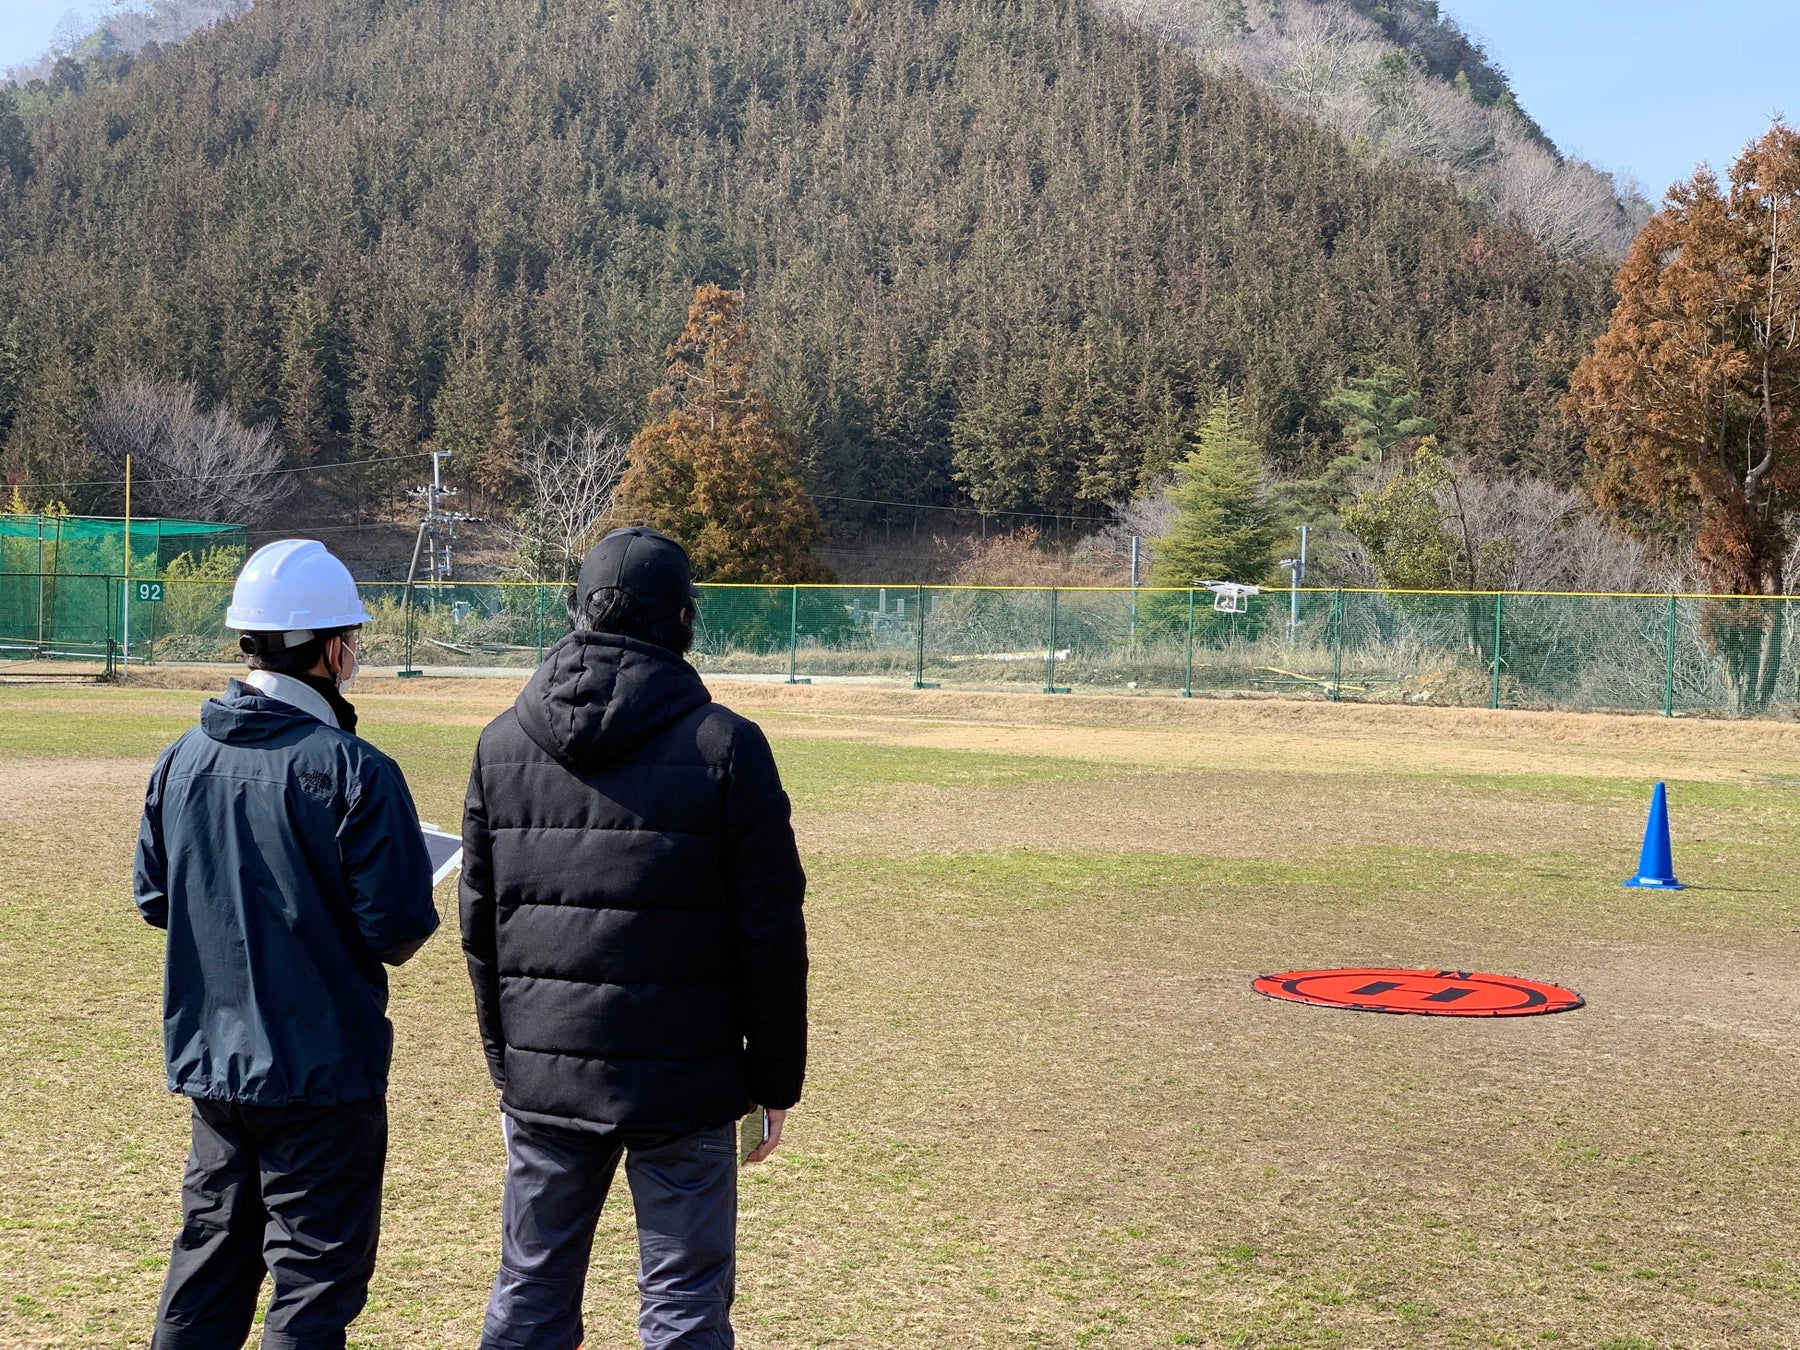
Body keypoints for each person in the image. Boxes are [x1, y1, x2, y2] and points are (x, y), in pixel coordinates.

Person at [461, 526, 809, 1350]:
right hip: (688, 1078)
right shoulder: (727, 745)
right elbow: (771, 930)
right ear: (683, 619)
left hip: (549, 1071)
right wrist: (775, 1080)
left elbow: (480, 926)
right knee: (684, 1304)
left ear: (576, 611)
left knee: (531, 1291)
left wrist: (509, 1063)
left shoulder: (501, 744)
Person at [133, 538, 440, 1350]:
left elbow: (156, 899)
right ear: (332, 649)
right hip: (322, 1073)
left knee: (207, 1268)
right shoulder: (356, 770)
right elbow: (397, 928)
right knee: (312, 1283)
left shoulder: (179, 759)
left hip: (216, 1066)